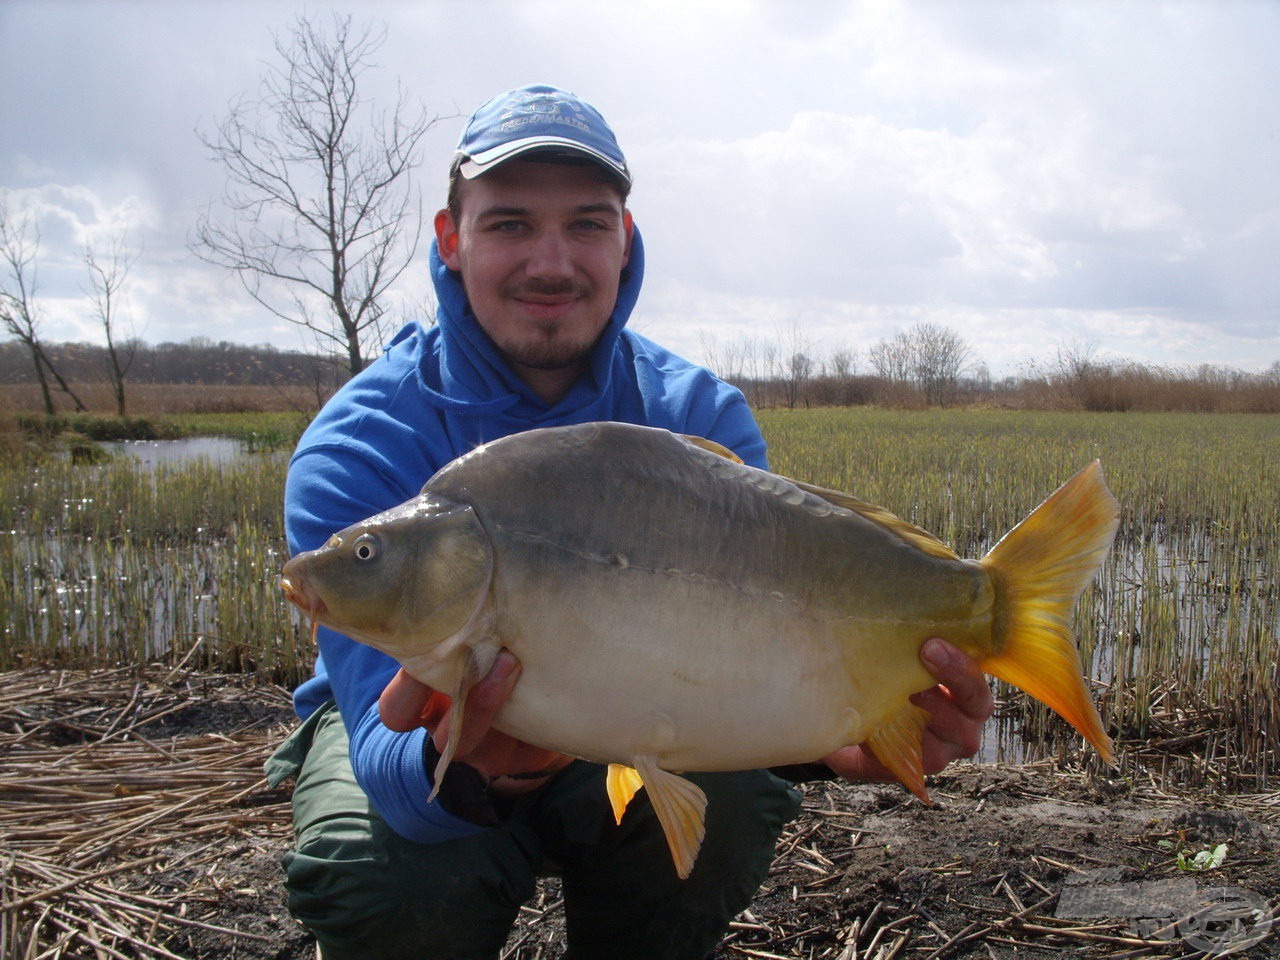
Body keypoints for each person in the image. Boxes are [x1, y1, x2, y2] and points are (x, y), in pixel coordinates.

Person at [266, 83, 994, 960]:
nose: (551, 261)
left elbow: (745, 658)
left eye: (586, 223)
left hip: (637, 722)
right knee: (384, 872)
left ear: (626, 240)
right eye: (508, 224)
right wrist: (457, 772)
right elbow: (382, 747)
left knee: (726, 808)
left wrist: (840, 739)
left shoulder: (696, 415)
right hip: (413, 748)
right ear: (450, 240)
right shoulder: (359, 444)